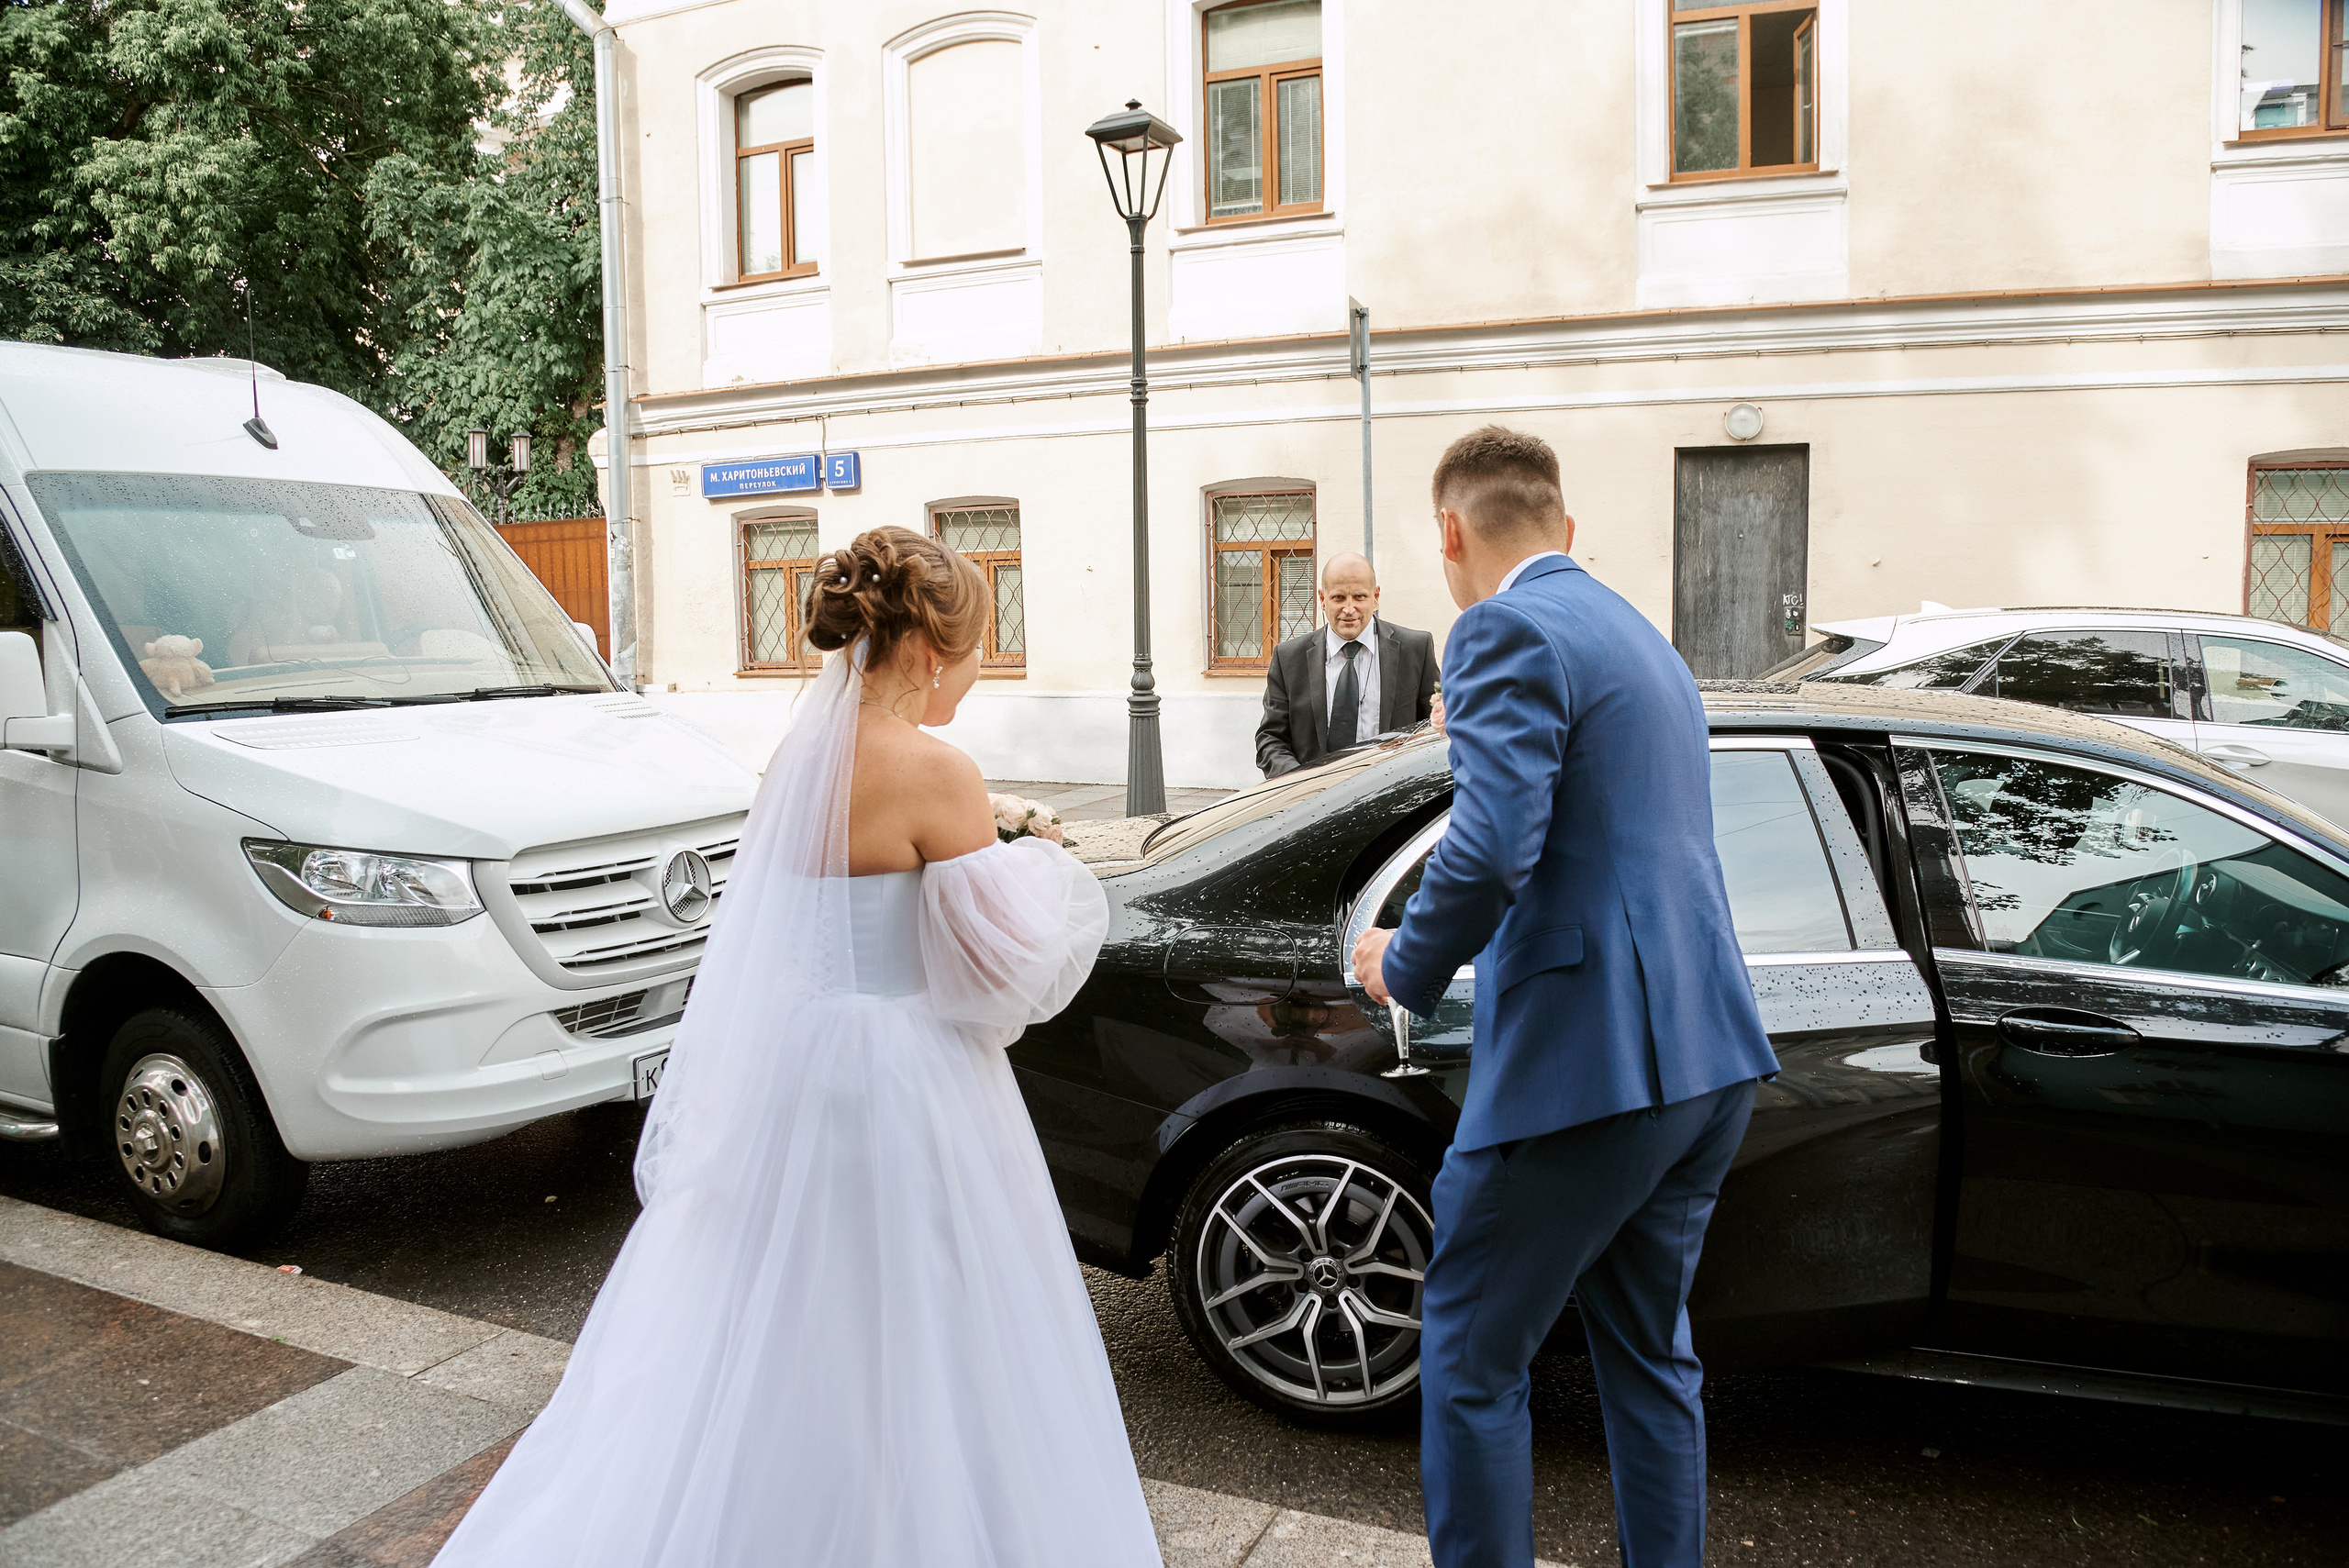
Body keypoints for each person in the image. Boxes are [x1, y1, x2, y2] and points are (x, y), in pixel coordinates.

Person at [433, 528, 1162, 1568]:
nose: (978, 672)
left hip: (794, 1069)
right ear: (927, 651)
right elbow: (998, 980)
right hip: (910, 1080)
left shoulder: (797, 760)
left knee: (785, 1310)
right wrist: (1041, 865)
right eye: (976, 652)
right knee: (925, 1320)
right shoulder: (938, 769)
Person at [1350, 428, 1778, 1568]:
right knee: (1650, 1357)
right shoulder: (1642, 638)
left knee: (1469, 1355)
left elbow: (1495, 847)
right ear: (1566, 526)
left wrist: (1402, 960)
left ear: (1450, 532)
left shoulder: (1500, 629)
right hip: (1707, 1053)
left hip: (1584, 1066)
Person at [1254, 550, 1440, 778]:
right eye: (1339, 598)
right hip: (1314, 795)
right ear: (1322, 599)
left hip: (1393, 791)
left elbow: (1434, 729)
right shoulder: (1289, 658)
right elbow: (1271, 739)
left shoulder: (1415, 650)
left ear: (1375, 597)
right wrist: (1301, 784)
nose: (1349, 609)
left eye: (1359, 597)